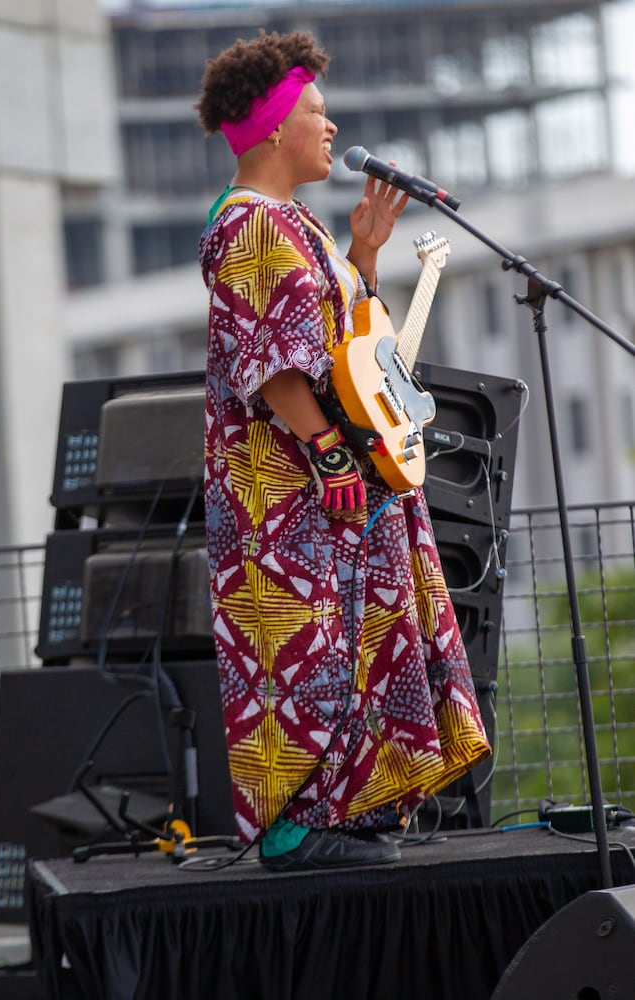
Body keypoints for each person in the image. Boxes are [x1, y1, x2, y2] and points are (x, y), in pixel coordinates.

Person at [196, 30, 490, 871]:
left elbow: (340, 342)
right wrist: (328, 451)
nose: (331, 129)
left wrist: (362, 253)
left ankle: (348, 806)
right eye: (317, 114)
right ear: (274, 124)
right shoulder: (250, 225)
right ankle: (294, 827)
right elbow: (271, 361)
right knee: (305, 646)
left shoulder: (296, 225)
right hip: (288, 489)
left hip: (330, 479)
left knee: (358, 634)